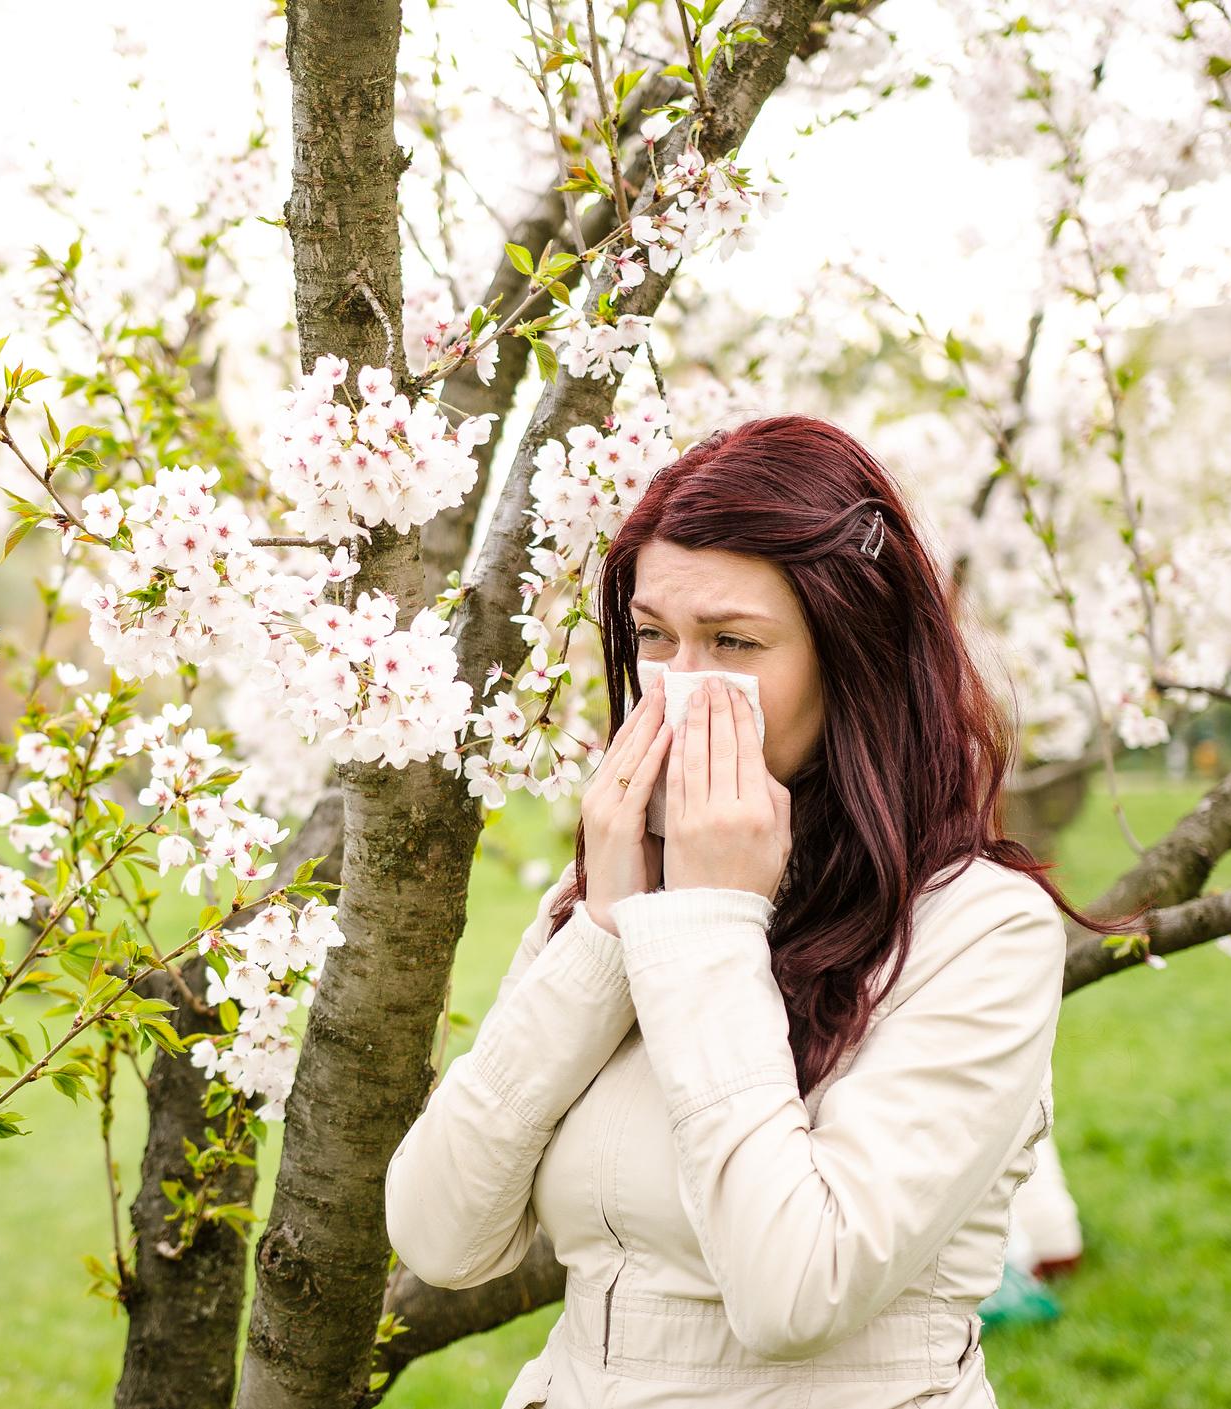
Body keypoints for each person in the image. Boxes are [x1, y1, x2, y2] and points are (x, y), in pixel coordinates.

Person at [384, 416, 1145, 1408]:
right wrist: (608, 930)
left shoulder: (980, 929)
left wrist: (708, 921)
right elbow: (440, 1236)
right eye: (654, 636)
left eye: (734, 641)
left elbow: (795, 1288)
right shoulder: (618, 890)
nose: (683, 686)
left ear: (852, 657)